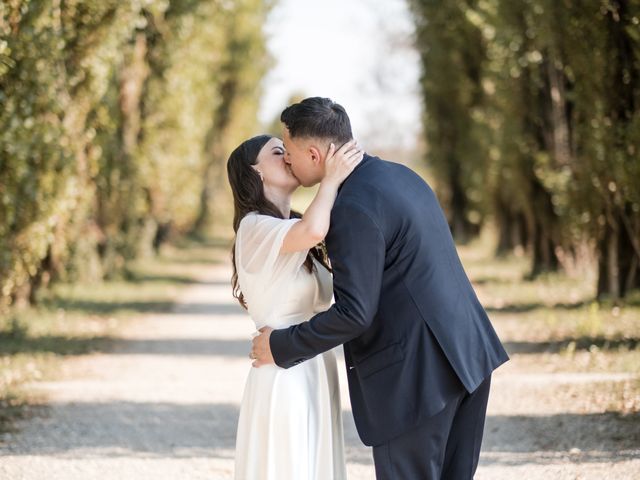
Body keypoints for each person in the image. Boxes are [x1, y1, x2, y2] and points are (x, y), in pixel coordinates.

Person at [251, 97, 510, 479]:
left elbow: (355, 314)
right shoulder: (401, 176)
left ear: (312, 154)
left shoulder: (352, 207)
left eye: (287, 152)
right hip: (468, 358)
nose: (286, 160)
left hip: (417, 381)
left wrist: (280, 345)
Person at [227, 133, 363, 480]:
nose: (288, 156)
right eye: (277, 152)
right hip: (282, 372)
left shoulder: (295, 226)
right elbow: (315, 229)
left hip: (316, 364)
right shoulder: (254, 227)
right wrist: (330, 177)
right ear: (255, 172)